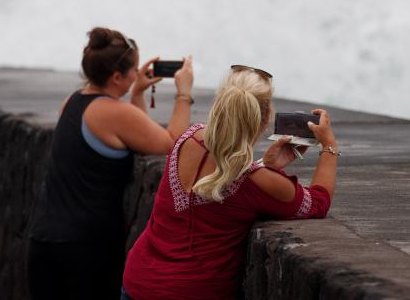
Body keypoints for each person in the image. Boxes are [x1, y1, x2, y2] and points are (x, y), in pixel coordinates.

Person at [122, 65, 339, 300]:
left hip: (139, 282)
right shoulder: (259, 182)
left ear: (219, 105)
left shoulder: (186, 140)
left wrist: (265, 166)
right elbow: (318, 202)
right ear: (265, 118)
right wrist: (329, 144)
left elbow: (223, 175)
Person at [27, 27, 195, 300]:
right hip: (85, 249)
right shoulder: (114, 113)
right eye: (133, 71)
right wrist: (183, 93)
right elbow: (173, 143)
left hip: (44, 240)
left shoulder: (71, 102)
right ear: (117, 77)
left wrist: (137, 94)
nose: (136, 74)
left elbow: (136, 136)